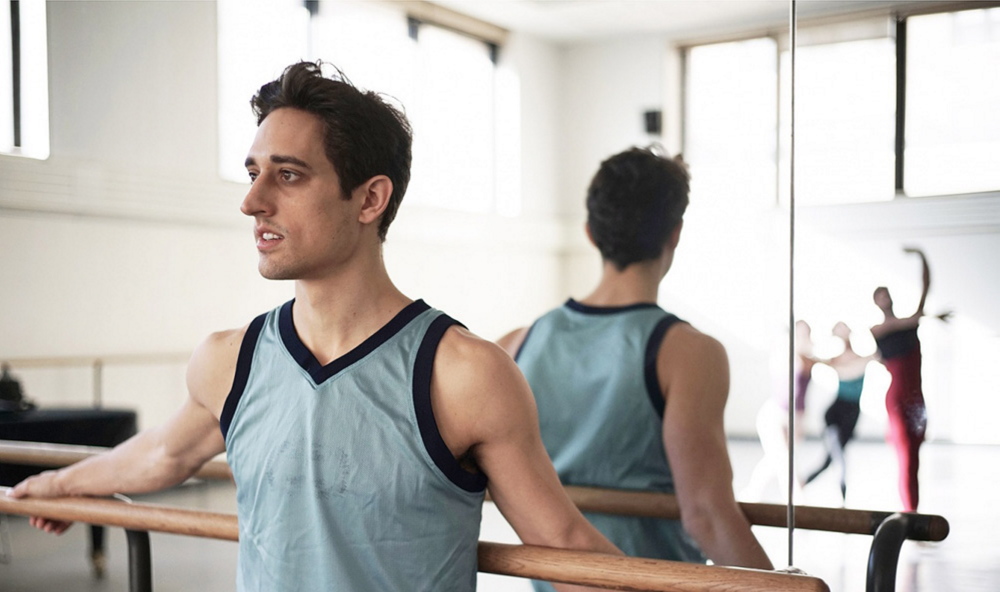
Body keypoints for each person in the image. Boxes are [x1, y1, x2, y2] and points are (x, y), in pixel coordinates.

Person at [8, 61, 621, 592]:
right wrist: (59, 483)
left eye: (289, 175)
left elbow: (561, 541)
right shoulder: (230, 359)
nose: (252, 201)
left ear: (369, 199)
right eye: (253, 173)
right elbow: (164, 454)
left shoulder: (462, 374)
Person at [497, 147, 773, 589]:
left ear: (590, 232)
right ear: (675, 234)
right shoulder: (689, 354)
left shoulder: (515, 344)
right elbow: (706, 515)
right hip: (648, 583)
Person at [870, 246, 950, 512]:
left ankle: (913, 508)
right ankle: (909, 511)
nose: (885, 299)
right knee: (905, 457)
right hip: (897, 400)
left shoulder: (910, 322)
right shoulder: (879, 329)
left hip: (917, 400)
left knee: (915, 455)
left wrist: (921, 255)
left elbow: (926, 287)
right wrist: (926, 317)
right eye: (880, 297)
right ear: (876, 303)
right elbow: (903, 323)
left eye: (887, 295)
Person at [741, 320, 814, 504]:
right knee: (783, 461)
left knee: (775, 460)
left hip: (795, 417)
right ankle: (797, 502)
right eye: (800, 333)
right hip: (775, 416)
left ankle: (751, 494)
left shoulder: (808, 357)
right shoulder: (785, 354)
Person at [804, 322, 876, 503]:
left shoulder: (863, 359)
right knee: (838, 459)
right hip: (836, 415)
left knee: (830, 460)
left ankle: (802, 483)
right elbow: (810, 360)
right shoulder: (836, 361)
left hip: (851, 415)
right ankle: (842, 501)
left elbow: (877, 357)